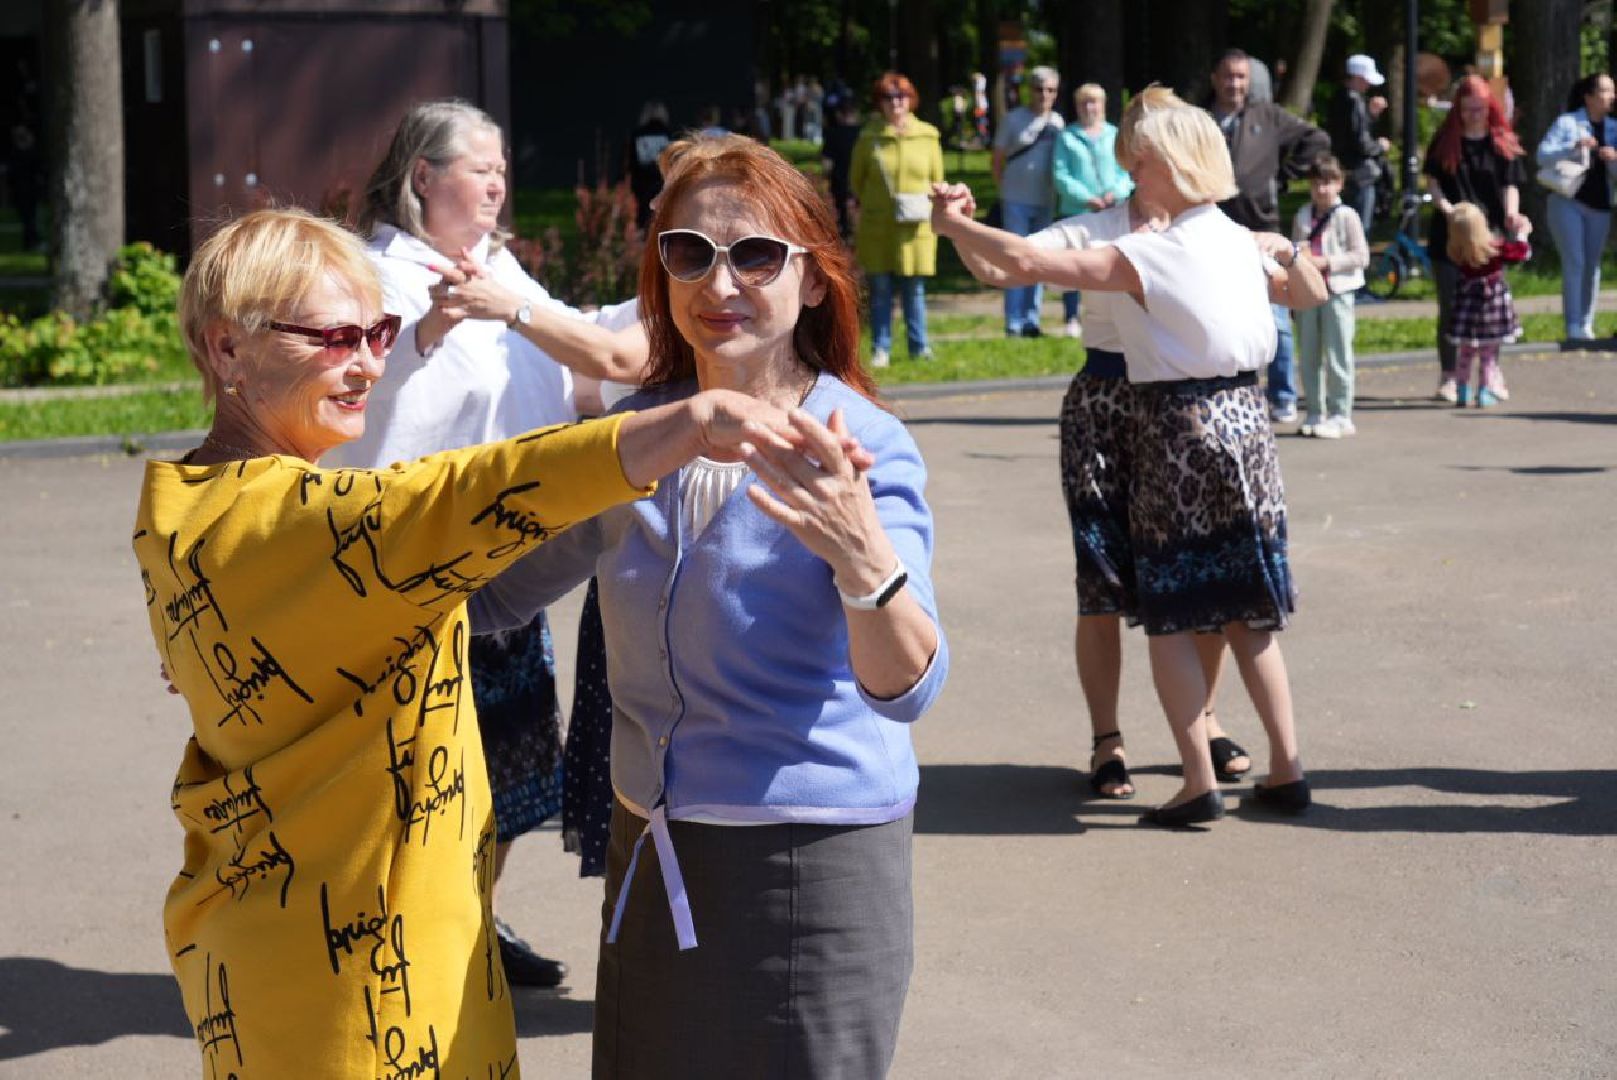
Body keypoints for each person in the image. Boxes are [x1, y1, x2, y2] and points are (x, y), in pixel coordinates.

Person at [134, 207, 807, 1076]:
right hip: (360, 980)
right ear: (227, 349)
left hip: (284, 938)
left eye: (378, 331)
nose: (369, 363)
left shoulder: (183, 503)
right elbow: (470, 487)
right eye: (333, 338)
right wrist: (690, 422)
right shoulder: (312, 524)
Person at [471, 134, 948, 1078]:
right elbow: (491, 593)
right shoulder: (634, 437)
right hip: (650, 844)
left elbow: (906, 687)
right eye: (689, 252)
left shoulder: (863, 445)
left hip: (807, 865)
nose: (717, 281)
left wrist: (860, 557)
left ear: (812, 281)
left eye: (756, 255)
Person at [330, 98, 651, 987]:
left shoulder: (498, 267)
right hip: (401, 572)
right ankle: (389, 948)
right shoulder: (372, 274)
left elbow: (580, 361)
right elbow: (355, 393)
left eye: (504, 164)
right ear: (423, 176)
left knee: (503, 780)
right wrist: (425, 333)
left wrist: (669, 300)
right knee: (408, 785)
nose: (499, 179)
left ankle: (469, 926)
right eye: (481, 165)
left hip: (503, 564)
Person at [934, 105, 1324, 826]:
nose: (1129, 171)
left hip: (1175, 429)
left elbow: (1021, 263)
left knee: (1170, 610)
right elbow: (1312, 294)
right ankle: (1285, 767)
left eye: (1139, 160)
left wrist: (953, 225)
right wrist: (1287, 251)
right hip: (1249, 429)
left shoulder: (1151, 252)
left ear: (1172, 168)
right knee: (1249, 610)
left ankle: (1197, 779)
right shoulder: (1236, 238)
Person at [1208, 47, 1330, 424]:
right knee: (1216, 316)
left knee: (1276, 319)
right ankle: (1222, 391)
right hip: (1210, 232)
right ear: (1215, 79)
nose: (1234, 84)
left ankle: (1282, 395)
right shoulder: (1201, 120)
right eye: (1228, 76)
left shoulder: (1267, 116)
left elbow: (1316, 138)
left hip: (1262, 229)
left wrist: (1282, 176)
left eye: (1241, 76)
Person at [1424, 74, 1529, 403]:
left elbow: (1510, 184)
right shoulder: (1445, 140)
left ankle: (1490, 373)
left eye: (1479, 109)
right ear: (1458, 110)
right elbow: (1433, 182)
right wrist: (1448, 209)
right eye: (1467, 109)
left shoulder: (1500, 141)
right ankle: (1449, 375)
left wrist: (1513, 214)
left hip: (1489, 238)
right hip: (1451, 236)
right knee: (1451, 307)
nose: (1473, 115)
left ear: (1489, 109)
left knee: (1491, 310)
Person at [851, 71, 944, 367]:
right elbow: (856, 180)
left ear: (911, 99)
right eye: (888, 97)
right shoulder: (869, 138)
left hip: (916, 227)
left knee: (914, 289)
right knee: (880, 290)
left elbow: (938, 180)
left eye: (901, 96)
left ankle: (920, 346)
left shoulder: (928, 136)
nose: (896, 103)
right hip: (878, 227)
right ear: (879, 103)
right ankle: (882, 348)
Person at [1291, 154, 1369, 438]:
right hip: (1309, 293)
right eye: (1316, 184)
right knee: (1309, 353)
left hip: (1338, 291)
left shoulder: (1347, 216)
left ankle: (1340, 413)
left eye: (1327, 183)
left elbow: (1361, 256)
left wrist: (1328, 262)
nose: (1321, 190)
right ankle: (1314, 410)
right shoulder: (1303, 214)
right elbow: (1295, 251)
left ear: (1338, 184)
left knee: (1338, 353)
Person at [1537, 73, 1617, 346]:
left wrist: (1613, 159)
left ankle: (1586, 323)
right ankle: (1572, 325)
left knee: (1592, 266)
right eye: (1605, 91)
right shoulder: (1568, 123)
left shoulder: (1614, 129)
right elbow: (1542, 155)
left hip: (1601, 205)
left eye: (1612, 92)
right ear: (1589, 96)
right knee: (1576, 261)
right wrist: (1572, 147)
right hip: (1567, 201)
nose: (1611, 97)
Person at [1051, 82, 1133, 339]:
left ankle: (1117, 311)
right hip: (1078, 210)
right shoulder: (1067, 136)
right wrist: (1086, 198)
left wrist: (1116, 193)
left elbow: (1127, 172)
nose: (1090, 107)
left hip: (1113, 209)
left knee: (1114, 260)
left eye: (1094, 102)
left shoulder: (1115, 134)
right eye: (1084, 102)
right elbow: (1061, 175)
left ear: (1103, 105)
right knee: (1073, 263)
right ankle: (1072, 315)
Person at [992, 65, 1065, 337]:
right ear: (1029, 91)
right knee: (1014, 260)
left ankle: (1031, 320)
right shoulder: (1013, 120)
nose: (1044, 95)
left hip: (1045, 200)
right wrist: (1005, 188)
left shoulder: (1058, 123)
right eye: (1038, 89)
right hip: (1015, 200)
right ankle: (1013, 321)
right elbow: (997, 160)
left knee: (1037, 261)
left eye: (1050, 90)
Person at [1446, 202, 1530, 407]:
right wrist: (1523, 233)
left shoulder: (1458, 252)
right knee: (1488, 355)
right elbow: (1521, 253)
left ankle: (1462, 390)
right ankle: (1485, 391)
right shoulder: (1494, 248)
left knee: (1465, 353)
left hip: (1467, 312)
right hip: (1492, 311)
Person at [1327, 54, 1392, 236]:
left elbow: (1348, 133)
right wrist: (1380, 146)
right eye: (1366, 80)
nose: (1368, 85)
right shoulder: (1354, 101)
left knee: (1343, 227)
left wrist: (1370, 115)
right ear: (1357, 77)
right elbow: (1361, 143)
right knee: (1360, 229)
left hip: (1343, 169)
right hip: (1359, 175)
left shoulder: (1338, 97)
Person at [821, 88, 863, 240]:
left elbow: (827, 162)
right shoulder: (863, 134)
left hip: (839, 177)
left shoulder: (833, 133)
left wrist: (825, 178)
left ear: (839, 114)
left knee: (841, 207)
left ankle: (845, 233)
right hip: (860, 178)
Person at [627, 100, 673, 229]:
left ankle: (641, 234)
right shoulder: (667, 133)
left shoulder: (638, 134)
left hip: (640, 180)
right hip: (661, 179)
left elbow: (631, 159)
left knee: (641, 212)